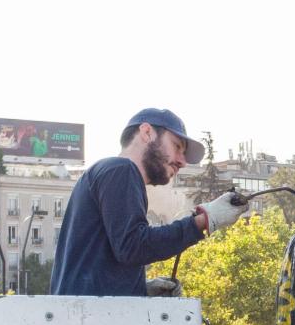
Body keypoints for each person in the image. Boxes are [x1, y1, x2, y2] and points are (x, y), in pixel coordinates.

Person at [51, 109, 246, 297]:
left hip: (84, 313)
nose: (182, 162)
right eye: (177, 146)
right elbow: (132, 246)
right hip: (90, 317)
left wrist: (138, 289)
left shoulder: (109, 172)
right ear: (146, 132)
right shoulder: (121, 169)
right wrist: (203, 220)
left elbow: (104, 258)